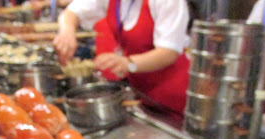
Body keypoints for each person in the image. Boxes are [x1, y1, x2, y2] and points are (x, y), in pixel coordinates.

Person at [53, 0, 190, 115]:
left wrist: (127, 63)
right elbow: (70, 13)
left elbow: (168, 53)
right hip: (143, 93)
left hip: (173, 97)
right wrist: (67, 33)